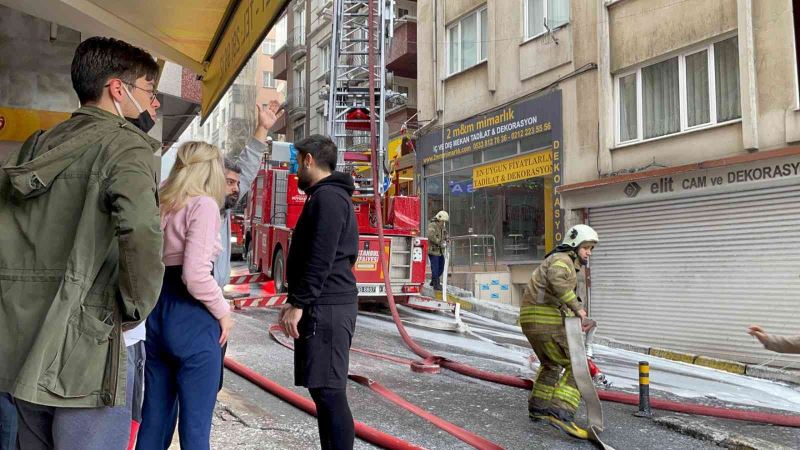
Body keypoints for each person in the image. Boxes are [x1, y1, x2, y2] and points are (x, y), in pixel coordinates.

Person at [0, 36, 164, 450]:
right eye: (149, 90)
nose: (154, 102)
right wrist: (135, 307)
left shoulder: (37, 147)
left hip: (22, 339)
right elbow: (141, 231)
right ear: (117, 88)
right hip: (89, 348)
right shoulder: (125, 145)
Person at [135, 141, 233, 450]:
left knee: (154, 419)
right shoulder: (203, 205)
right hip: (193, 317)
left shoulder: (162, 201)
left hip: (157, 311)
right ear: (210, 170)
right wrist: (223, 311)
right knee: (195, 429)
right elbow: (195, 275)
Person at [278, 135, 359, 450]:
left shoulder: (328, 199)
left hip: (327, 308)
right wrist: (294, 300)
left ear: (309, 159)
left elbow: (321, 255)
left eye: (298, 161)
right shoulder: (326, 197)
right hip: (325, 306)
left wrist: (299, 301)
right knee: (323, 391)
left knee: (329, 392)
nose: (296, 168)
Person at [520, 224, 599, 440]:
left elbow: (553, 291)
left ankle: (539, 409)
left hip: (532, 318)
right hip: (543, 319)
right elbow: (557, 282)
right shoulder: (562, 261)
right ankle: (561, 413)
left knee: (551, 364)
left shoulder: (562, 261)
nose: (589, 253)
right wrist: (578, 308)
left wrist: (572, 316)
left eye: (591, 248)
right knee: (577, 365)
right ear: (574, 246)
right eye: (586, 248)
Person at [214, 100, 283, 289]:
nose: (237, 188)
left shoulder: (219, 207)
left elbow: (245, 168)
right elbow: (195, 275)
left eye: (236, 183)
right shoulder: (204, 208)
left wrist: (262, 128)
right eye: (229, 182)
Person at [426, 210, 449, 291]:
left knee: (441, 267)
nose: (443, 223)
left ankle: (433, 280)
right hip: (433, 251)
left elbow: (445, 233)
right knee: (435, 267)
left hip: (440, 251)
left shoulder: (442, 226)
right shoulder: (432, 225)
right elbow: (431, 236)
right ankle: (436, 284)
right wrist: (439, 242)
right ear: (439, 219)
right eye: (443, 221)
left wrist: (447, 238)